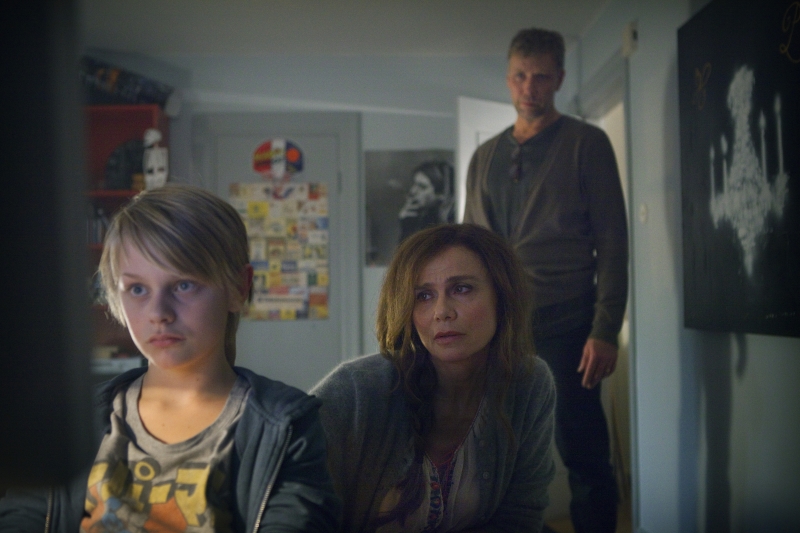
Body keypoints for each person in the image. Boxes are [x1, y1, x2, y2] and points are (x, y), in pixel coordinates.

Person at [0, 184, 340, 532]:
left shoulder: (286, 426)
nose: (158, 313)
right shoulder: (73, 422)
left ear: (239, 288)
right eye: (137, 289)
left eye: (183, 285)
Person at [463, 28, 629, 533]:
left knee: (583, 452)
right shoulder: (485, 157)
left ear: (558, 78)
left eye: (540, 77)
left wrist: (605, 328)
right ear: (507, 78)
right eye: (519, 76)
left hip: (568, 321)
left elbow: (613, 241)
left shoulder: (586, 143)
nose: (528, 87)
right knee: (492, 451)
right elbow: (470, 245)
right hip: (498, 326)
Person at [311, 223, 556, 532]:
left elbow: (520, 517)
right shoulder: (354, 391)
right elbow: (291, 511)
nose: (442, 311)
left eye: (462, 289)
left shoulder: (529, 383)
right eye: (424, 295)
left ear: (502, 297)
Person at [398, 160, 455, 242]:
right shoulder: (424, 220)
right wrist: (407, 226)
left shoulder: (451, 224)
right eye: (414, 184)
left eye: (422, 187)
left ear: (441, 194)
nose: (412, 191)